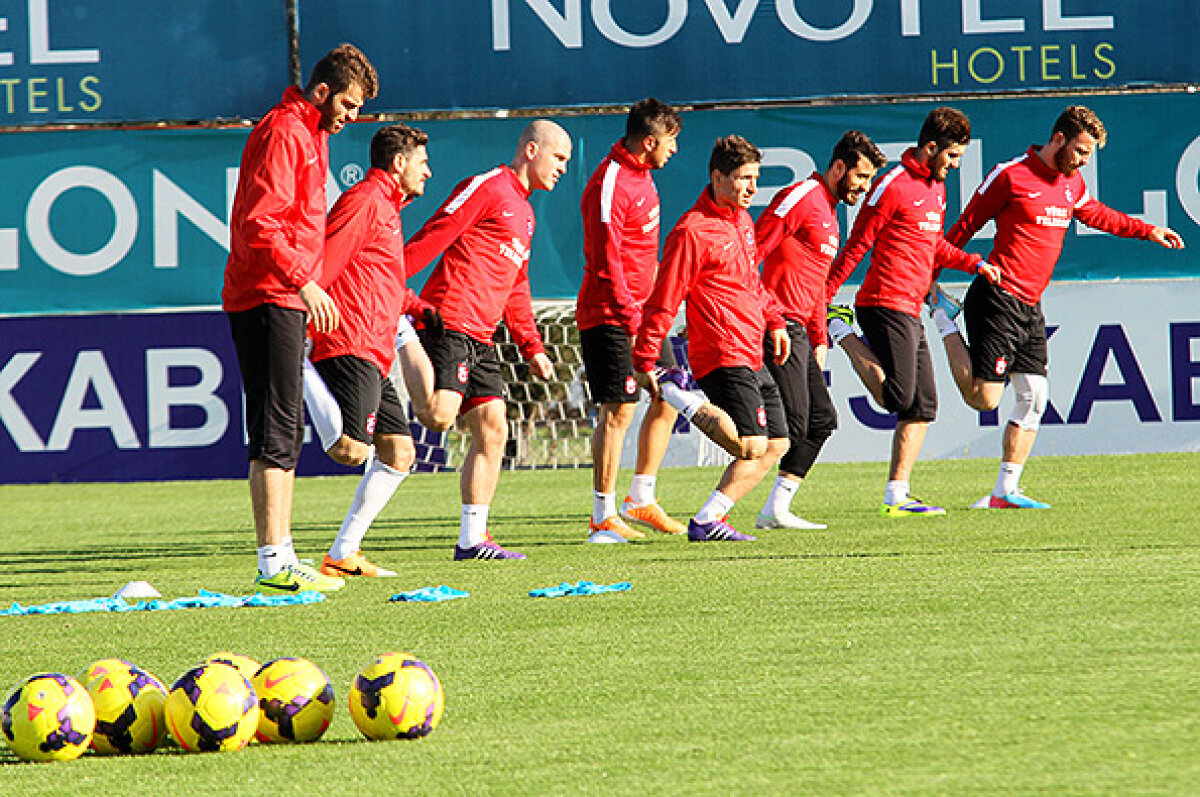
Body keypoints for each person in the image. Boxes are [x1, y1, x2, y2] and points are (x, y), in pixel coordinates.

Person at [933, 105, 1185, 509]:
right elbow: (965, 226)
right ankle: (944, 319)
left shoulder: (1072, 183)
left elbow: (1098, 214)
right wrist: (930, 274)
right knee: (985, 399)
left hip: (1030, 304)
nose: (1083, 161)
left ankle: (1004, 492)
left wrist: (1146, 229)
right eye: (1081, 151)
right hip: (997, 297)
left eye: (1089, 155)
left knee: (1034, 395)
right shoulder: (1010, 175)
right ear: (1059, 139)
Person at [222, 44, 378, 593]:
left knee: (285, 428)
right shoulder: (285, 131)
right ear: (321, 92)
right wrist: (305, 280)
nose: (352, 117)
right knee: (274, 430)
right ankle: (272, 562)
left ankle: (282, 556)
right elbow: (261, 224)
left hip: (284, 295)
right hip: (267, 294)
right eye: (350, 104)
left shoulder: (311, 134)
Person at [402, 120, 571, 560]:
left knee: (494, 431)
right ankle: (401, 339)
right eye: (559, 158)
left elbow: (516, 286)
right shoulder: (488, 186)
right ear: (531, 150)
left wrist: (532, 346)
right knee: (440, 417)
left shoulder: (528, 214)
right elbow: (435, 232)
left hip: (484, 337)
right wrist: (385, 280)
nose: (563, 169)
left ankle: (472, 540)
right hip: (450, 320)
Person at [823, 107, 1000, 517]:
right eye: (952, 157)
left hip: (909, 306)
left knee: (924, 406)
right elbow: (857, 245)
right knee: (902, 398)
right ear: (931, 147)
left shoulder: (935, 189)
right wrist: (825, 299)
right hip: (882, 303)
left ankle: (897, 496)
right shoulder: (891, 185)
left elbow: (932, 244)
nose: (954, 166)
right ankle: (840, 329)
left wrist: (974, 262)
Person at [633, 135, 791, 543]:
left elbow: (751, 284)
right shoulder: (691, 231)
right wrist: (647, 356)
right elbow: (664, 300)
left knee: (778, 444)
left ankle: (708, 519)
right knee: (752, 446)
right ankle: (678, 395)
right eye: (743, 178)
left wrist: (773, 319)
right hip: (722, 353)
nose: (752, 187)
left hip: (752, 349)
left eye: (755, 177)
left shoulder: (742, 221)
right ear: (717, 178)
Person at [299, 124, 434, 579]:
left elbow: (384, 281)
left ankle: (342, 554)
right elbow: (324, 264)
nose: (428, 173)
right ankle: (297, 370)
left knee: (398, 452)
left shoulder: (388, 210)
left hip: (374, 349)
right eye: (422, 163)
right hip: (348, 341)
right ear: (399, 163)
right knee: (351, 451)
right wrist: (304, 319)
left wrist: (420, 307)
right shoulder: (365, 201)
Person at [754, 130, 887, 530]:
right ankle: (716, 509)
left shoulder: (829, 212)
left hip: (800, 330)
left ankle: (774, 510)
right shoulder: (800, 198)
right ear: (839, 167)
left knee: (822, 420)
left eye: (869, 182)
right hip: (776, 325)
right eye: (860, 177)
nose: (863, 188)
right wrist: (771, 317)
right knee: (792, 425)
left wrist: (819, 336)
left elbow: (815, 284)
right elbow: (750, 255)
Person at [576, 98, 690, 544]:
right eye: (670, 142)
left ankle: (640, 497)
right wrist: (631, 316)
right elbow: (606, 262)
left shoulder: (643, 178)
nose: (674, 151)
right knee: (619, 409)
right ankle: (602, 515)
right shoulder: (610, 181)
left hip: (643, 315)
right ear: (649, 141)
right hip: (609, 314)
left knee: (668, 394)